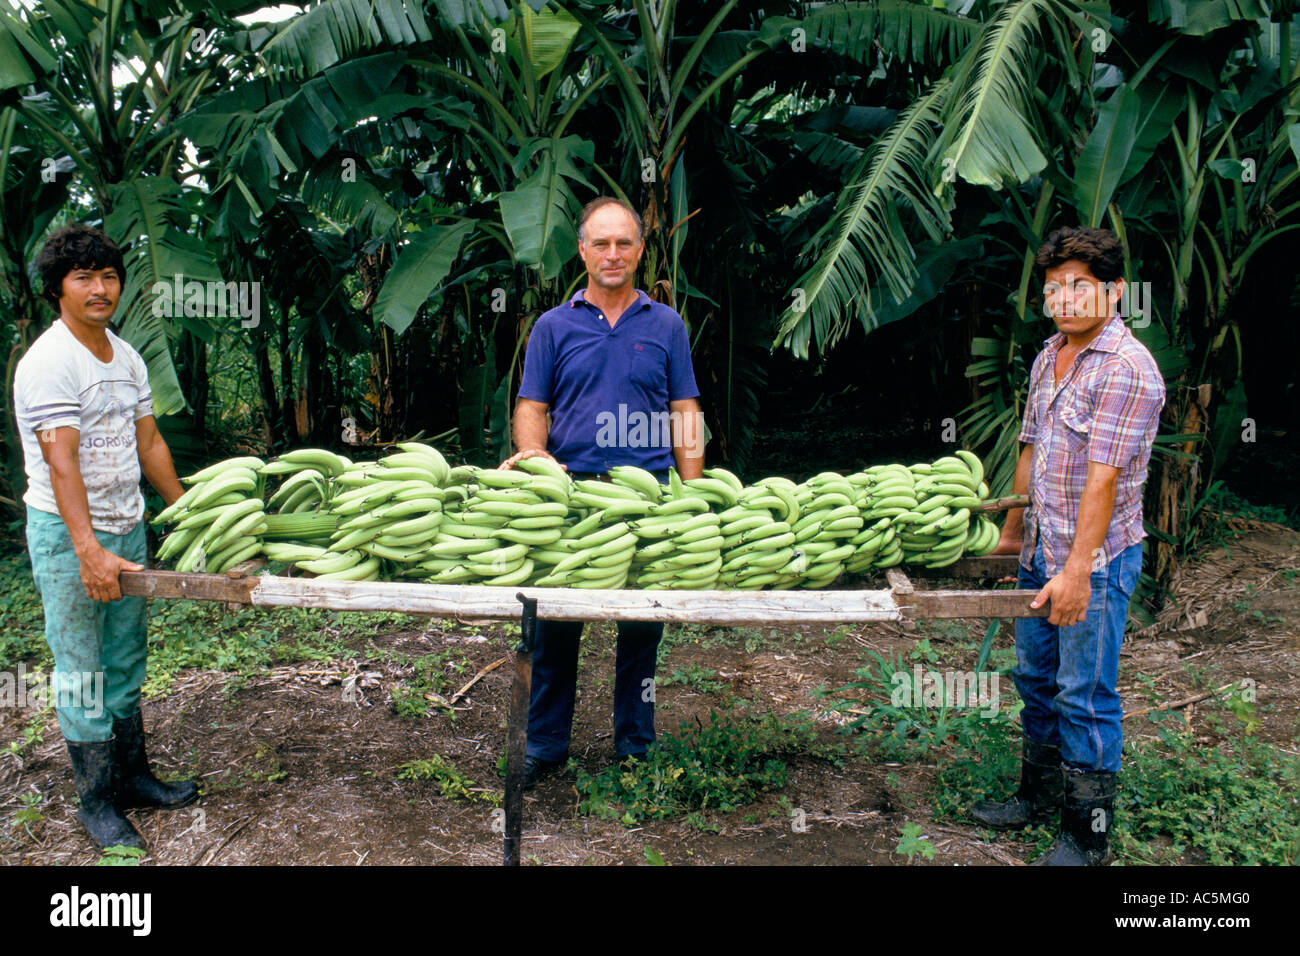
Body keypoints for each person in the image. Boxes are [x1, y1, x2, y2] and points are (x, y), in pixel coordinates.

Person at [972, 226, 1165, 865]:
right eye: (1053, 288)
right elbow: (1031, 447)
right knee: (1035, 677)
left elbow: (1105, 480)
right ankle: (1038, 794)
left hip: (1097, 561)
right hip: (1040, 551)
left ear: (1113, 291)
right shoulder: (1049, 354)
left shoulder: (1127, 369)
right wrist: (1011, 538)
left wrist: (1077, 571)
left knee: (1085, 691)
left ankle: (1089, 836)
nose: (1064, 299)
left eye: (1079, 286)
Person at [501, 197, 705, 787]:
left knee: (642, 630)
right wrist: (536, 459)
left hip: (649, 498)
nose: (612, 254)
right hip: (572, 498)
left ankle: (635, 748)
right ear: (584, 251)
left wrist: (692, 495)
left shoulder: (665, 324)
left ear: (641, 250)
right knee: (554, 627)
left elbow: (683, 409)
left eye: (624, 243)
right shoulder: (553, 326)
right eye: (600, 243)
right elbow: (532, 406)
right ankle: (545, 747)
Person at [15, 224, 199, 852]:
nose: (99, 288)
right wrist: (88, 550)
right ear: (57, 289)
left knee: (124, 658)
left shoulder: (124, 355)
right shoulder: (49, 362)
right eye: (83, 277)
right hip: (69, 535)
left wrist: (188, 514)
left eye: (109, 275)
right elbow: (61, 462)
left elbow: (149, 442)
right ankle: (96, 802)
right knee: (81, 670)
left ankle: (134, 778)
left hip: (126, 522)